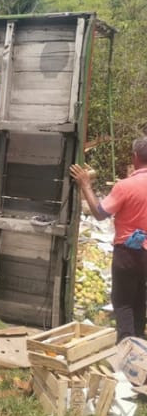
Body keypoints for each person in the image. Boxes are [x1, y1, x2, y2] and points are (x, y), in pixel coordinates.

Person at [70, 137, 147, 341]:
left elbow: (100, 212)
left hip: (128, 254)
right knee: (140, 301)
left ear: (135, 157)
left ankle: (127, 352)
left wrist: (85, 184)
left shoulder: (126, 186)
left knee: (123, 303)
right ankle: (140, 350)